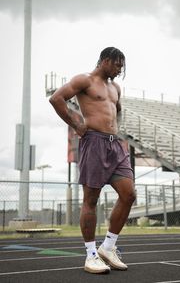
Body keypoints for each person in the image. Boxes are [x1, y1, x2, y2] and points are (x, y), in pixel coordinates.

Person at [49, 47, 136, 274]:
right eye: (117, 65)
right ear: (106, 60)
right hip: (93, 142)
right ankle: (91, 255)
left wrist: (115, 128)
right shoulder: (84, 80)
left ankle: (108, 247)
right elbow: (56, 98)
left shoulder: (115, 87)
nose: (119, 70)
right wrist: (77, 124)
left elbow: (117, 110)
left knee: (129, 194)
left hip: (114, 144)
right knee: (91, 199)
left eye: (122, 67)